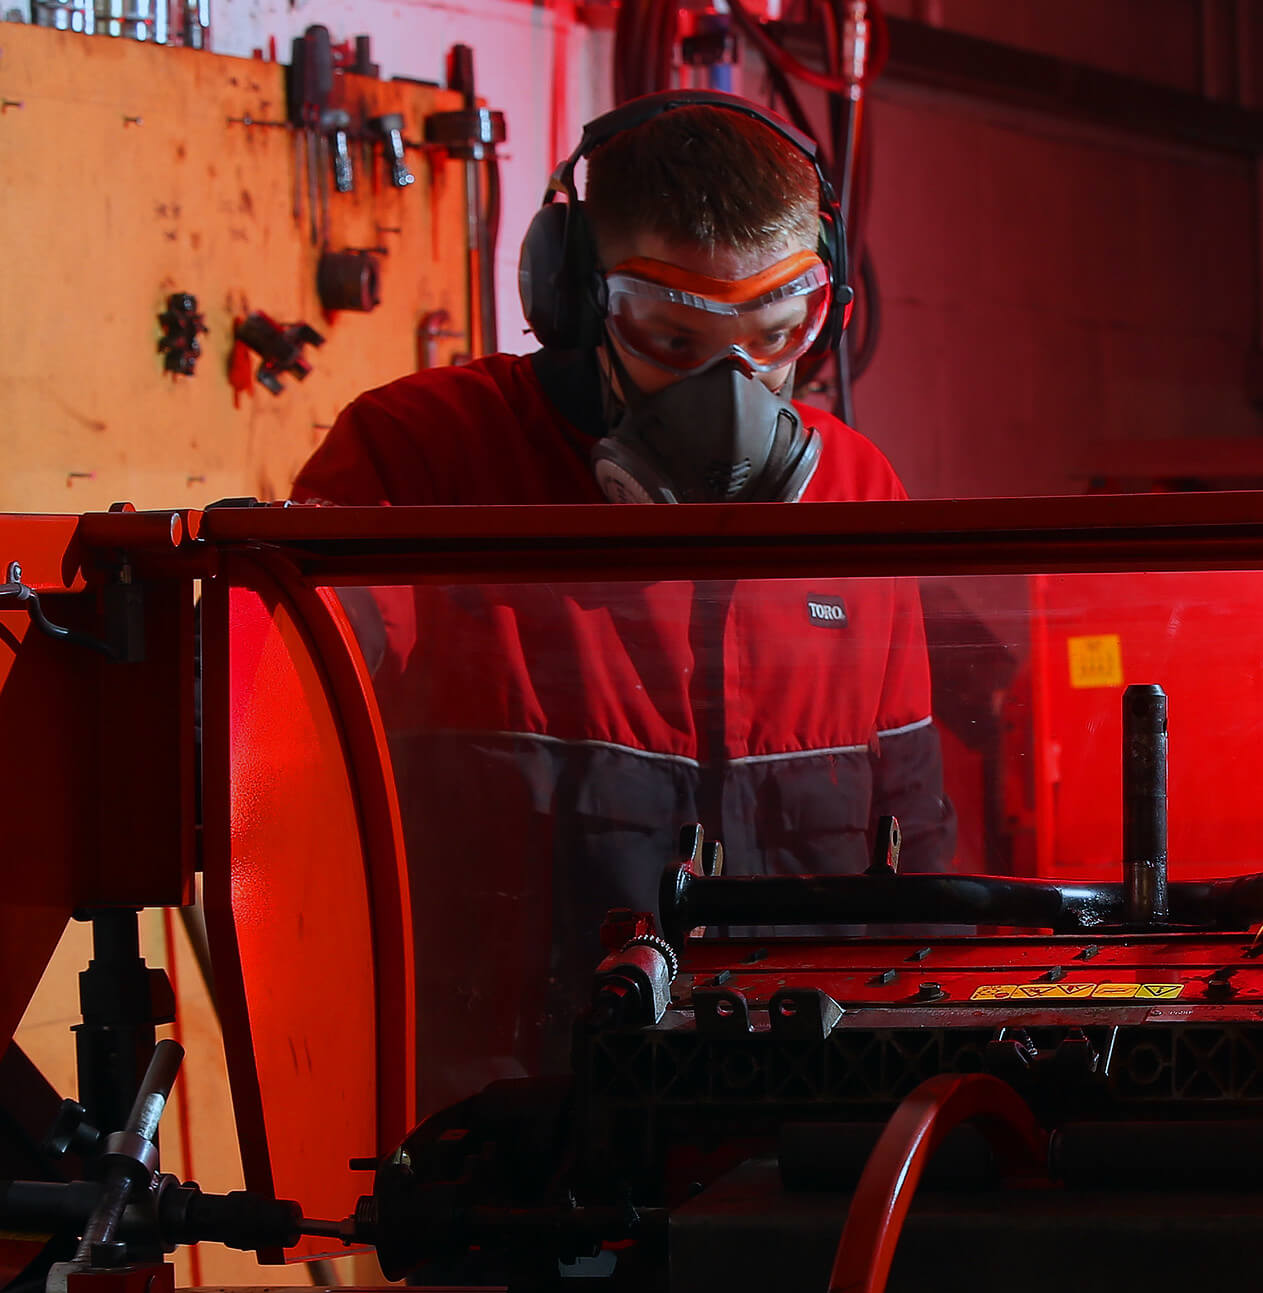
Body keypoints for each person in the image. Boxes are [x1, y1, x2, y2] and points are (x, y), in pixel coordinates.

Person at [291, 93, 954, 1109]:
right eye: (671, 340)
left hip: (804, 1129)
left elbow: (919, 855)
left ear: (826, 310)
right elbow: (288, 690)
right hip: (510, 1133)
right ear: (572, 298)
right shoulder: (421, 459)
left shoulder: (856, 496)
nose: (731, 397)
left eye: (776, 335)